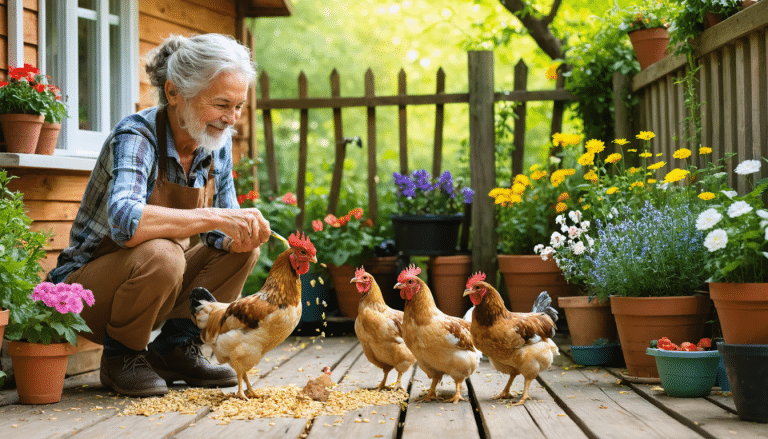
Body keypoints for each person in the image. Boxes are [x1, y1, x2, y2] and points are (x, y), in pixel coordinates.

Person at [47, 33, 270, 397]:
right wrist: (215, 216)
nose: (231, 119)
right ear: (173, 93)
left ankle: (176, 348)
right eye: (221, 104)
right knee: (164, 252)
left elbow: (218, 234)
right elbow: (125, 221)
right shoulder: (137, 135)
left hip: (155, 284)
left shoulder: (216, 143)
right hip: (86, 296)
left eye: (239, 106)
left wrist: (243, 230)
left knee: (242, 250)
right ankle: (122, 356)